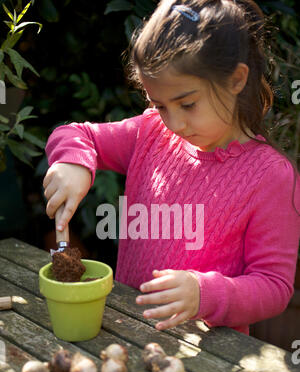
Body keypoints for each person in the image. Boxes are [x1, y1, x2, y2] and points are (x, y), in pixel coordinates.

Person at [43, 0, 300, 335]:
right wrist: (72, 162)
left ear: (237, 79)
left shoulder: (271, 176)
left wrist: (204, 294)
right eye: (159, 104)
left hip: (207, 360)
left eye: (187, 104)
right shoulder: (150, 132)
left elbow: (274, 286)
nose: (174, 122)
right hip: (128, 334)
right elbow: (78, 135)